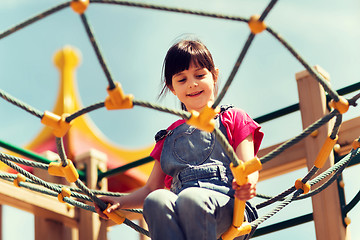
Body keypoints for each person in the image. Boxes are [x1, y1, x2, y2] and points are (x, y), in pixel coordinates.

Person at [95, 38, 264, 240]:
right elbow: (151, 188)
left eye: (199, 75)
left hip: (229, 206)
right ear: (172, 87)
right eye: (182, 80)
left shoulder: (233, 117)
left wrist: (248, 183)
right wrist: (120, 202)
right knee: (156, 199)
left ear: (215, 75)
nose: (192, 84)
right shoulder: (169, 135)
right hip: (184, 211)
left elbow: (248, 166)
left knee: (191, 197)